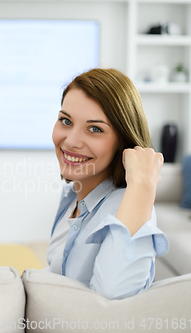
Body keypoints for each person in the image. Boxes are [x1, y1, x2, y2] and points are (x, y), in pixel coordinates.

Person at [47, 68, 169, 299]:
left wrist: (143, 184)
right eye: (66, 121)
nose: (70, 141)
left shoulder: (127, 206)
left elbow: (115, 297)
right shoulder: (71, 195)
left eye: (95, 129)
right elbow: (60, 273)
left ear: (123, 140)